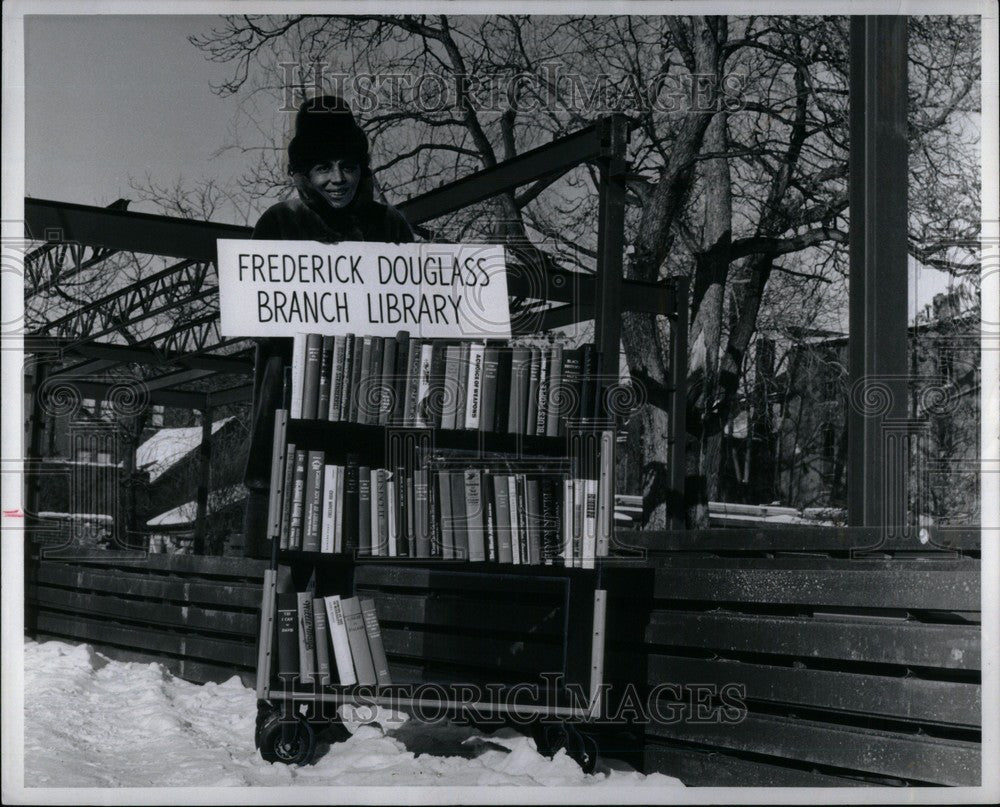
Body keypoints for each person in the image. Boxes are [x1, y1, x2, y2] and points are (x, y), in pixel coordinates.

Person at [243, 95, 414, 556]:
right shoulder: (278, 222)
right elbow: (257, 316)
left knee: (351, 560)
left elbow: (414, 318)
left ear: (362, 167)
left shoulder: (391, 225)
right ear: (304, 174)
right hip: (291, 415)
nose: (338, 179)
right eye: (323, 167)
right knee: (278, 565)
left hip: (367, 416)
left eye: (347, 165)